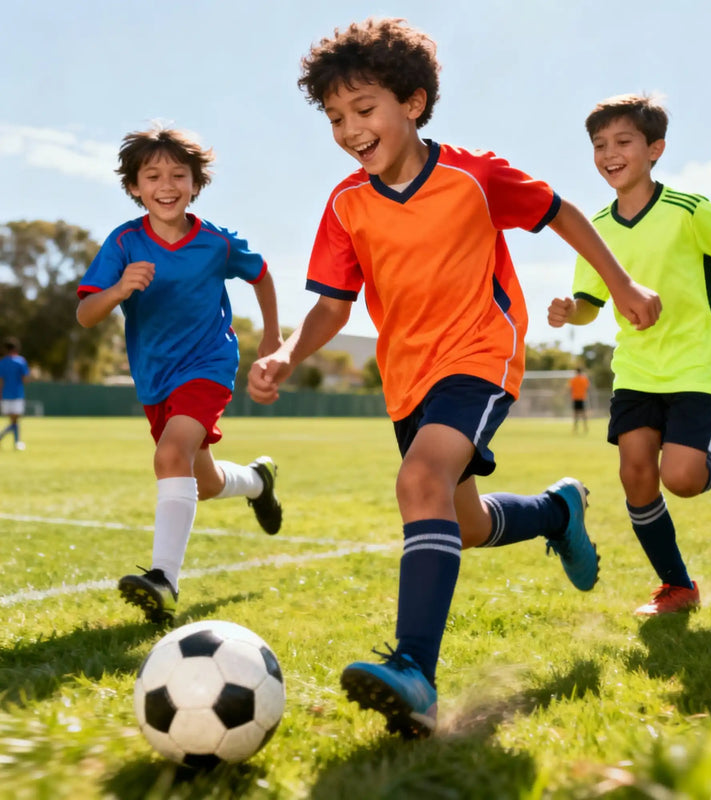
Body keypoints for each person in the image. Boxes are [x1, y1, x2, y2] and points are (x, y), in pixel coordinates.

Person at [248, 18, 661, 738]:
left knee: (418, 482)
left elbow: (559, 211)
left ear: (412, 103)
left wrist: (621, 284)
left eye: (364, 108)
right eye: (336, 118)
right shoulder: (346, 204)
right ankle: (557, 511)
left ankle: (415, 671)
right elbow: (332, 304)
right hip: (407, 376)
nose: (350, 129)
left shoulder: (475, 176)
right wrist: (288, 351)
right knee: (463, 523)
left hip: (480, 352)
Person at [548, 93, 711, 616]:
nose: (609, 153)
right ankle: (678, 586)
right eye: (599, 145)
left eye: (622, 141)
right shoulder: (596, 227)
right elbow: (591, 303)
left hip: (696, 362)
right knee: (636, 474)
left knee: (683, 479)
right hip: (637, 368)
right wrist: (570, 311)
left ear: (655, 149)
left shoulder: (688, 210)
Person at [77, 125, 284, 624]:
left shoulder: (215, 242)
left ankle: (163, 580)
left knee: (170, 454)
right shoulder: (124, 243)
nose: (166, 184)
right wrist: (120, 289)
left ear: (195, 184)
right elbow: (86, 315)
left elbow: (262, 275)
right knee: (203, 480)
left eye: (178, 174)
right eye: (153, 175)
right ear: (134, 187)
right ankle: (257, 481)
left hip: (209, 364)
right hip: (155, 377)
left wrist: (273, 340)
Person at [0, 337, 30, 450]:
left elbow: (0, 381)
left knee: (14, 421)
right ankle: (13, 441)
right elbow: (25, 379)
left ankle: (17, 443)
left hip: (6, 395)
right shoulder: (21, 361)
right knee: (15, 421)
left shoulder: (2, 362)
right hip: (17, 394)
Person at [569, 367, 591, 433]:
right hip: (582, 398)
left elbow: (571, 388)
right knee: (583, 414)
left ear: (576, 372)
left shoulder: (573, 380)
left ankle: (575, 428)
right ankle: (585, 427)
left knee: (575, 414)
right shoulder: (584, 379)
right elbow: (587, 388)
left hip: (575, 398)